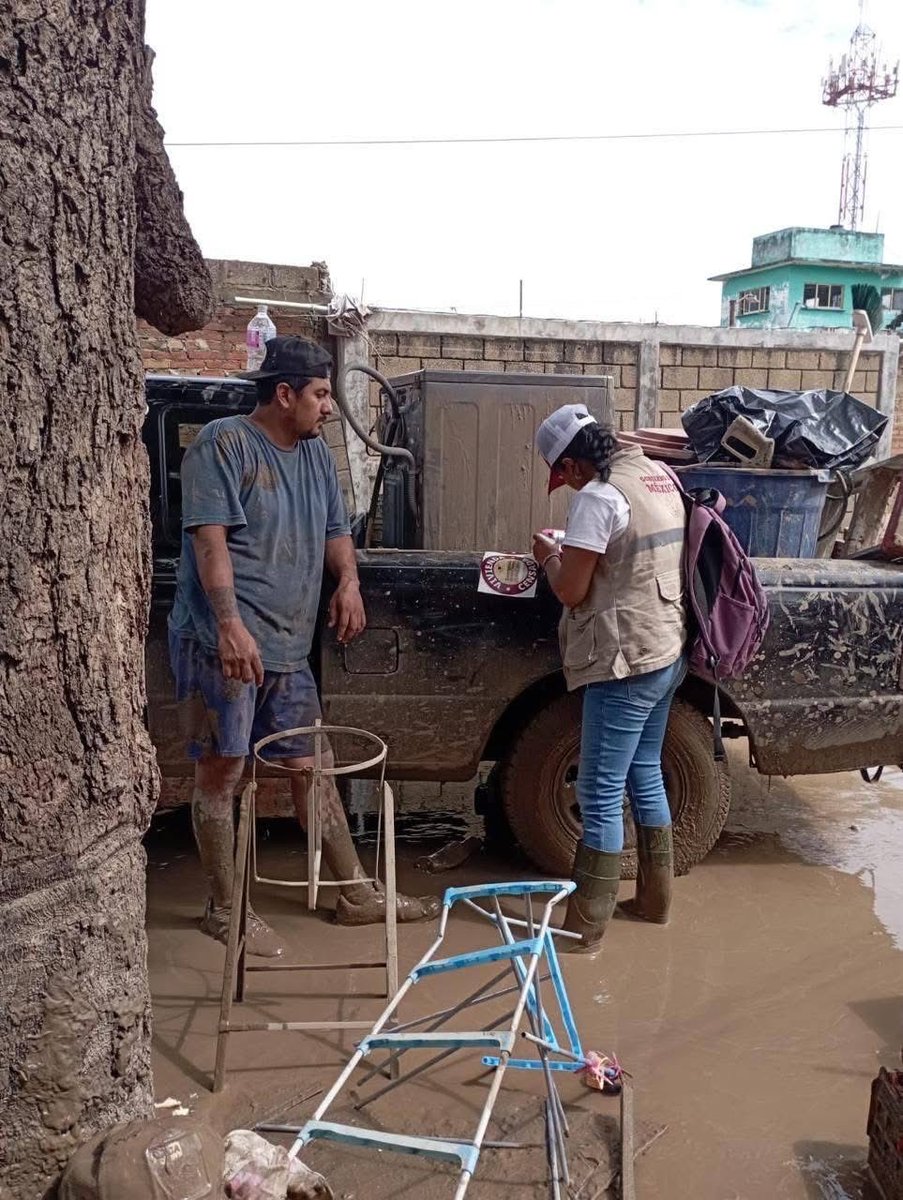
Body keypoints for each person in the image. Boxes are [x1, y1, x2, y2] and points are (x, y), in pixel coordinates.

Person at [168, 335, 439, 957]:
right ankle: (224, 910)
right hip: (222, 643)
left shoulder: (316, 455)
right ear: (284, 394)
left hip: (287, 645)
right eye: (320, 394)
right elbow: (210, 543)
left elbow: (334, 529)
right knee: (224, 772)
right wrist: (230, 625)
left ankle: (355, 894)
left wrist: (349, 580)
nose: (328, 407)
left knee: (308, 765)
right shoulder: (225, 444)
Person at [532, 405, 687, 954]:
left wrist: (550, 557)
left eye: (564, 475)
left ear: (573, 464)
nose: (568, 485)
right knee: (644, 771)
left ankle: (586, 927)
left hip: (624, 661)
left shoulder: (598, 498)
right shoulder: (656, 475)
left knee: (599, 794)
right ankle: (654, 903)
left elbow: (572, 591)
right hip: (666, 648)